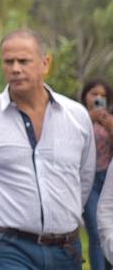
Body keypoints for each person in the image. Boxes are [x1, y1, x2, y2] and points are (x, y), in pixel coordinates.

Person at [0, 29, 94, 269]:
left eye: (23, 61)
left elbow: (83, 179)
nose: (15, 68)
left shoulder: (77, 117)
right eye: (8, 61)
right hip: (9, 246)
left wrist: (63, 216)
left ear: (45, 63)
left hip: (65, 249)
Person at [82, 79, 113, 270]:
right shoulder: (78, 119)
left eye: (102, 95)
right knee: (94, 231)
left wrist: (109, 126)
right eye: (94, 94)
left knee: (110, 228)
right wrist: (89, 119)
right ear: (85, 96)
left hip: (108, 178)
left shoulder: (110, 119)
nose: (98, 98)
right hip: (89, 179)